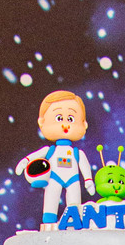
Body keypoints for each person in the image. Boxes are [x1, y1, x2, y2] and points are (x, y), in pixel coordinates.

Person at [15, 90, 94, 228]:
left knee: (74, 203)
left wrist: (88, 180)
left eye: (71, 119)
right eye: (59, 118)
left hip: (73, 179)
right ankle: (49, 221)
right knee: (51, 199)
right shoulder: (49, 151)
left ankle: (74, 220)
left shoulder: (77, 153)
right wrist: (24, 162)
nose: (65, 124)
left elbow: (84, 166)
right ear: (42, 122)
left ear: (84, 124)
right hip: (54, 178)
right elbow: (32, 157)